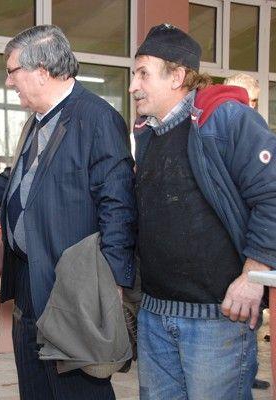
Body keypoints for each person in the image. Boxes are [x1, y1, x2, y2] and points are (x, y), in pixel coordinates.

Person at [0, 25, 136, 399]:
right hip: (30, 281)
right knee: (36, 387)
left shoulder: (97, 118)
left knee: (77, 390)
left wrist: (110, 282)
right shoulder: (37, 121)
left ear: (42, 71)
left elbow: (118, 205)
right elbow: (14, 182)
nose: (8, 81)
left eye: (12, 71)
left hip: (73, 286)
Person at [130, 23, 276, 399]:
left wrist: (253, 276)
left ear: (177, 76)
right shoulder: (146, 134)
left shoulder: (225, 120)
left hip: (218, 319)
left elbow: (272, 194)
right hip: (155, 315)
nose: (133, 86)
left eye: (143, 74)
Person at [224, 72, 271, 391]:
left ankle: (246, 370)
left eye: (251, 100)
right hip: (227, 256)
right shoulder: (216, 134)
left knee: (250, 316)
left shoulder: (257, 134)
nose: (245, 105)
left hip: (253, 251)